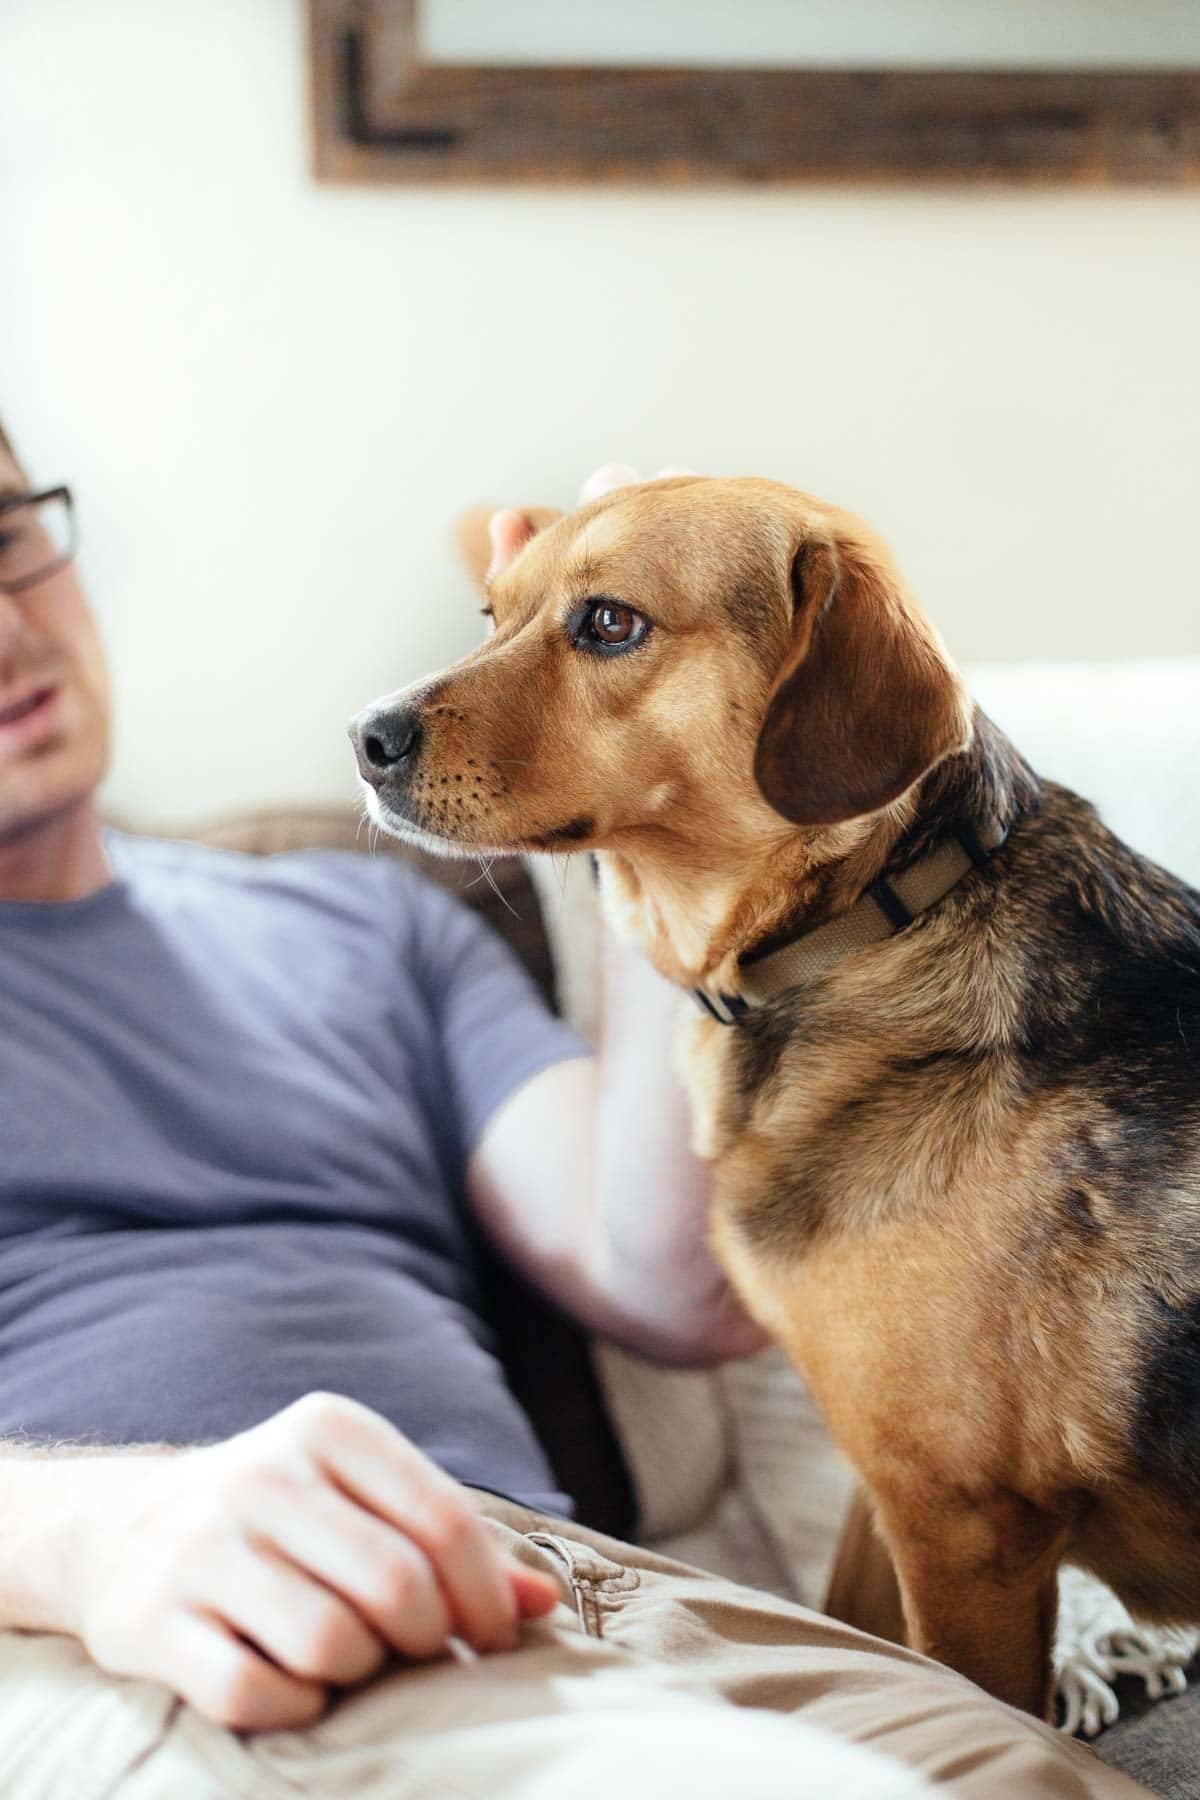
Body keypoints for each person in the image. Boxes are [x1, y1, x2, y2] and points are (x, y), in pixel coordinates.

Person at [0, 417, 1144, 1798]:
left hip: (574, 1598)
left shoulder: (360, 920)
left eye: (9, 540)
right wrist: (90, 1534)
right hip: (121, 1620)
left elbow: (659, 1277)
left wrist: (658, 818)